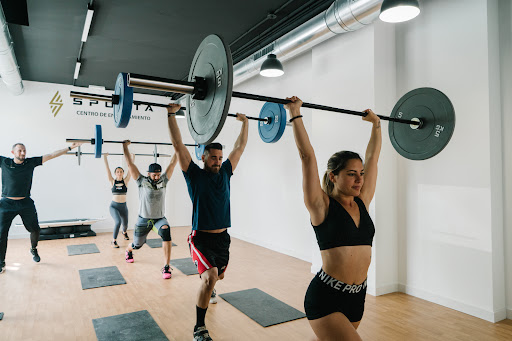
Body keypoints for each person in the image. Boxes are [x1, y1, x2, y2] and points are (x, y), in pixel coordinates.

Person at [285, 96, 381, 341]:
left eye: (360, 174)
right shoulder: (321, 206)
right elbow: (307, 156)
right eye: (351, 174)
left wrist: (376, 125)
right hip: (326, 297)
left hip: (357, 297)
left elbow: (373, 159)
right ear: (333, 176)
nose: (359, 179)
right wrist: (295, 113)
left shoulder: (363, 201)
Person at [167, 103, 248, 341]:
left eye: (220, 158)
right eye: (213, 157)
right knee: (211, 276)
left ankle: (209, 285)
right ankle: (199, 329)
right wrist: (171, 115)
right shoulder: (193, 174)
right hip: (200, 238)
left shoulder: (225, 172)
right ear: (202, 156)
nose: (217, 161)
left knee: (217, 278)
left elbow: (240, 147)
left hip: (222, 238)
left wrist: (245, 123)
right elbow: (178, 145)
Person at [0, 142, 83, 274]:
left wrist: (69, 148)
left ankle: (33, 249)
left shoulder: (30, 163)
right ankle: (1, 262)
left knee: (35, 230)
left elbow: (51, 155)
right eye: (20, 151)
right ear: (13, 153)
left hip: (25, 202)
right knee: (1, 234)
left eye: (24, 151)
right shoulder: (4, 162)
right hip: (6, 204)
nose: (23, 153)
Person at [122, 141, 178, 279]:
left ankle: (166, 267)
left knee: (166, 231)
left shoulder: (163, 181)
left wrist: (178, 148)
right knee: (137, 245)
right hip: (143, 220)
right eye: (154, 175)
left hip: (159, 219)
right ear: (149, 173)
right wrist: (124, 147)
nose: (157, 177)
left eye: (158, 174)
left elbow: (172, 164)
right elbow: (130, 165)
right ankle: (128, 250)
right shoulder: (141, 181)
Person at [103, 153, 132, 248]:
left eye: (121, 172)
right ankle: (114, 241)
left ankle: (124, 233)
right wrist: (105, 157)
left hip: (123, 206)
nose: (119, 173)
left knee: (125, 224)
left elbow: (131, 168)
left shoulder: (126, 181)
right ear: (115, 173)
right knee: (118, 222)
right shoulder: (112, 181)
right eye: (117, 172)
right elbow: (107, 170)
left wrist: (132, 157)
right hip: (114, 206)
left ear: (123, 173)